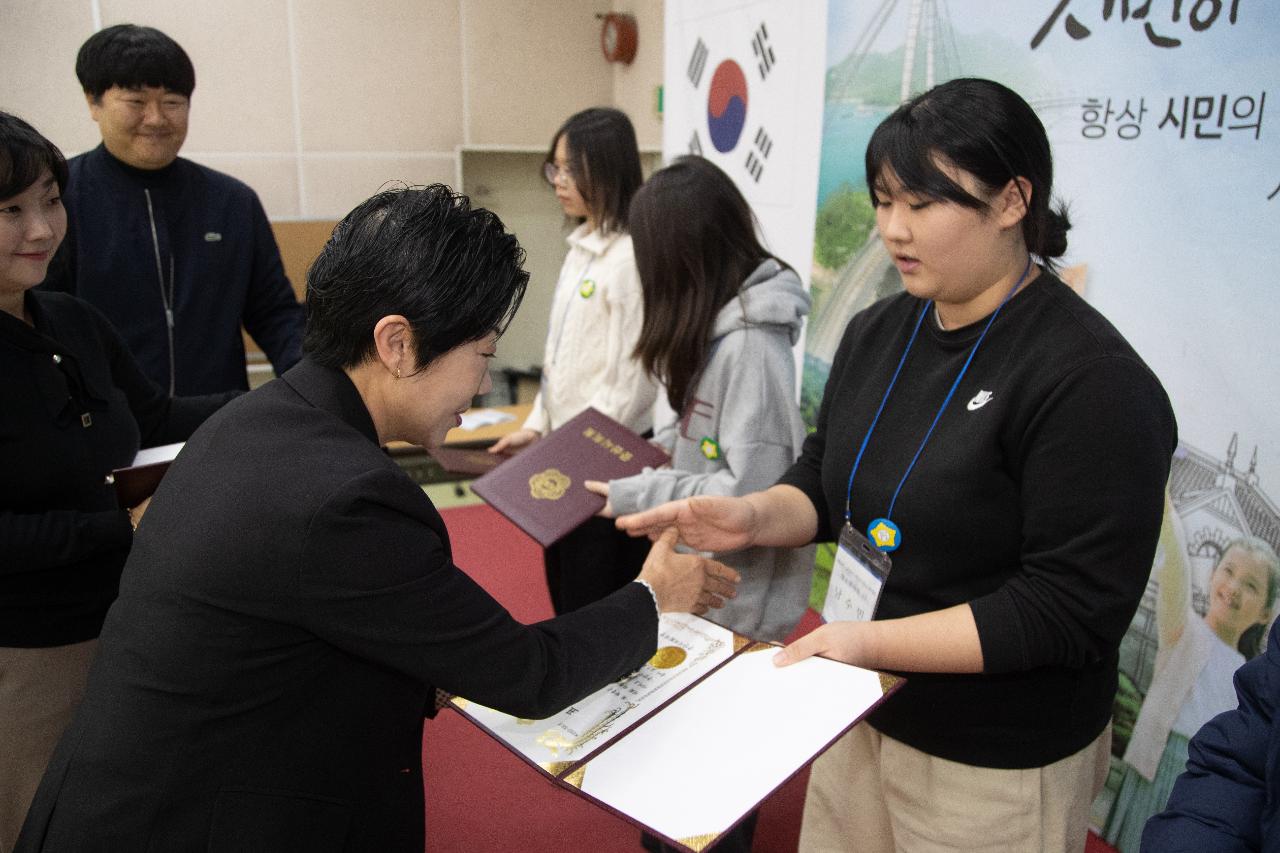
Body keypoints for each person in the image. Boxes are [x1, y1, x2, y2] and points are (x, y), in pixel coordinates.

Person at [14, 184, 738, 852]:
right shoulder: (345, 496)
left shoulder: (258, 422)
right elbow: (529, 673)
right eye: (482, 353)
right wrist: (655, 596)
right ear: (396, 343)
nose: (485, 382)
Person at [617, 78, 1177, 852]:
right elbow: (822, 479)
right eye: (884, 201)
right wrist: (749, 515)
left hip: (993, 755)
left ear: (1014, 200)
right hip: (856, 705)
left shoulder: (1091, 380)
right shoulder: (880, 328)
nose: (893, 230)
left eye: (923, 204)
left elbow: (1066, 608)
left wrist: (869, 643)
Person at [0, 112, 234, 849]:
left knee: (128, 808)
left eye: (50, 199)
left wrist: (292, 395)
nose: (41, 227)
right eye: (11, 210)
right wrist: (117, 526)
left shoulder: (69, 319)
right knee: (38, 817)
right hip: (27, 646)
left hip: (129, 615)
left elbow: (157, 413)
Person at [591, 155, 813, 853]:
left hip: (736, 613)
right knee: (674, 796)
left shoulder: (751, 349)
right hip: (704, 604)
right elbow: (702, 450)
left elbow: (746, 498)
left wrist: (638, 490)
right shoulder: (722, 335)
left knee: (704, 809)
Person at [40, 24, 304, 395]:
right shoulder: (58, 201)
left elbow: (275, 314)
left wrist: (315, 388)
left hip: (215, 422)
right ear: (93, 102)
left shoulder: (232, 201)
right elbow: (37, 323)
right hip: (105, 429)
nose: (156, 118)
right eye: (136, 102)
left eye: (172, 103)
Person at [490, 107, 660, 615]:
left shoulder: (632, 257)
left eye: (569, 169)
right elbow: (560, 356)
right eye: (554, 169)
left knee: (600, 600)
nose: (558, 181)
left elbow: (632, 383)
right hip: (570, 454)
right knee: (564, 592)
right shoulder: (581, 247)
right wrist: (539, 426)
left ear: (605, 170)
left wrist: (568, 450)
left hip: (608, 459)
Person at [1104, 527, 1278, 852]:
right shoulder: (1183, 630)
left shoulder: (1252, 674)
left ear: (1267, 612)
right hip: (1156, 763)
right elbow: (1174, 573)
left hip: (1208, 777)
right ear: (1212, 576)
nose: (1234, 587)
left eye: (1251, 585)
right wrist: (1167, 518)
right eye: (1228, 571)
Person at [1142, 617, 1280, 852]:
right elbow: (1250, 757)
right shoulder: (1190, 629)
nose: (1234, 590)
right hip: (1170, 761)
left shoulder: (1237, 660)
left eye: (1251, 586)